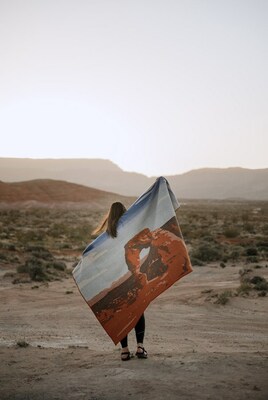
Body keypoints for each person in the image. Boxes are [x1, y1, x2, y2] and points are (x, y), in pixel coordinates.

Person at [93, 201, 148, 361]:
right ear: (125, 213)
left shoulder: (107, 236)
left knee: (121, 312)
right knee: (138, 310)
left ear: (109, 215)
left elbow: (98, 255)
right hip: (131, 276)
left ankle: (124, 351)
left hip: (116, 279)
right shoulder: (129, 230)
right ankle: (140, 347)